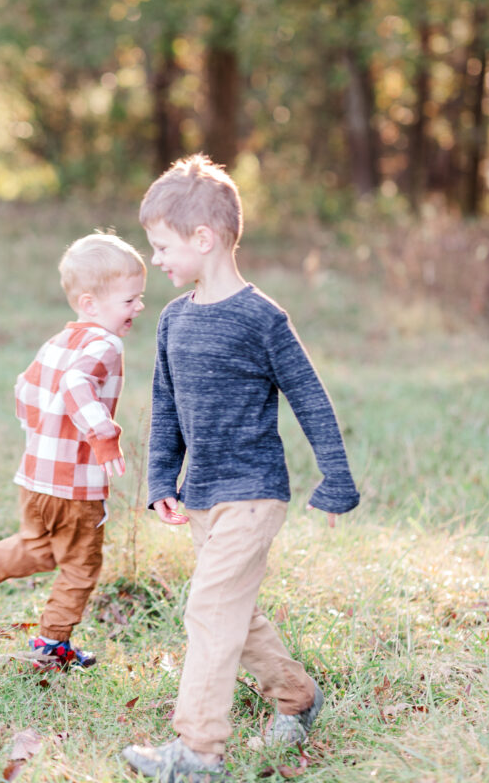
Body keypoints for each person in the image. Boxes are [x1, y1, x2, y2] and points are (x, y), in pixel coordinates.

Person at [123, 155, 359, 780]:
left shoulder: (262, 319)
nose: (157, 260)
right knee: (235, 612)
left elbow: (310, 398)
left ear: (203, 239)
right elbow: (166, 406)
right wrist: (159, 484)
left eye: (162, 246)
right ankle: (298, 698)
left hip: (254, 494)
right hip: (201, 496)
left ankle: (197, 753)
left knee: (207, 608)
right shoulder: (174, 319)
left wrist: (336, 479)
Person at [0, 232, 146, 670]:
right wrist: (102, 434)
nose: (138, 307)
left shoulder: (57, 342)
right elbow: (77, 386)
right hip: (76, 486)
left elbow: (24, 390)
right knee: (80, 566)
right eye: (129, 300)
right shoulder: (107, 344)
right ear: (90, 303)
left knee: (40, 549)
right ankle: (52, 647)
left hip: (35, 477)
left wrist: (41, 435)